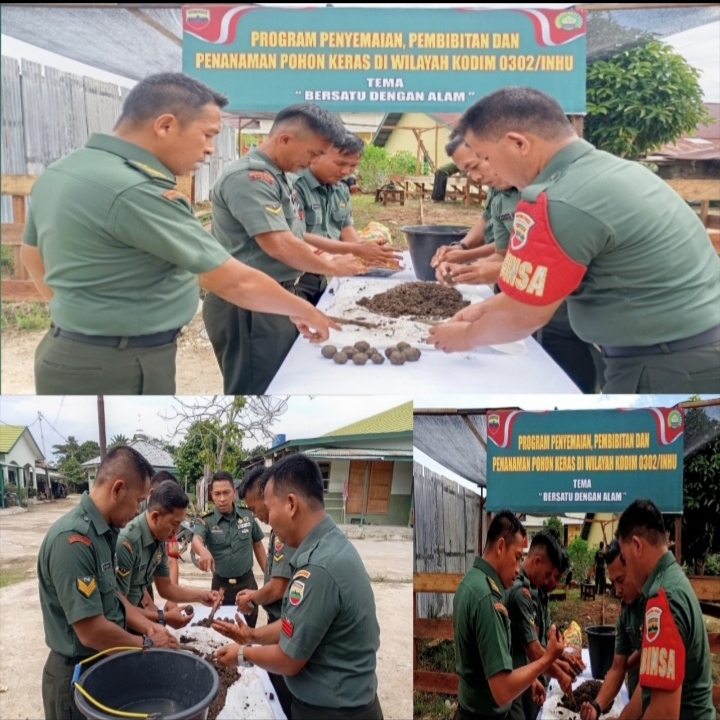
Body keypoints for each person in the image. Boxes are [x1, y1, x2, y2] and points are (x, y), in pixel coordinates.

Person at [21, 73, 338, 395]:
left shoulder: (64, 169)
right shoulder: (135, 190)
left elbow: (31, 254)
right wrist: (305, 310)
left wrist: (73, 318)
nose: (210, 150)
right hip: (119, 362)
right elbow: (232, 280)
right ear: (166, 125)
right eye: (207, 135)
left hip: (72, 350)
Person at [427, 87, 720, 393]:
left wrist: (464, 337)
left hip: (667, 369)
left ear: (518, 143)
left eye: (486, 157)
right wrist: (480, 312)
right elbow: (530, 295)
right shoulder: (609, 170)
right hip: (688, 351)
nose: (489, 171)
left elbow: (524, 315)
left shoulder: (561, 200)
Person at [204, 103, 366, 394]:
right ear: (286, 139)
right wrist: (333, 265)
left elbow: (298, 235)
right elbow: (279, 244)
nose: (313, 161)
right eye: (314, 153)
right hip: (248, 307)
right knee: (257, 391)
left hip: (271, 297)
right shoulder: (250, 178)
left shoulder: (278, 176)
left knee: (280, 384)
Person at [212, 454, 383, 720]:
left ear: (291, 504)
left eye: (268, 509)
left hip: (333, 712)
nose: (267, 519)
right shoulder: (328, 545)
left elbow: (289, 660)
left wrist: (243, 654)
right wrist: (252, 636)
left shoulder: (318, 567)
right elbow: (300, 622)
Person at [37, 446, 179, 720]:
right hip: (74, 675)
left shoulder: (104, 534)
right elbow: (91, 631)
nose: (139, 509)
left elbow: (115, 598)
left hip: (101, 664)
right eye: (138, 500)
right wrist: (147, 642)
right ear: (117, 489)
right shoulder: (73, 540)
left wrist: (150, 626)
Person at [453, 511, 565, 720]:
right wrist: (548, 658)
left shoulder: (469, 582)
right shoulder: (488, 598)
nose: (517, 568)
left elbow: (487, 660)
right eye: (517, 557)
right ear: (501, 546)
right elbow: (503, 690)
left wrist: (530, 679)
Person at [617, 499, 714, 719]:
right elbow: (650, 686)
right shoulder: (674, 580)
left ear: (637, 546)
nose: (626, 568)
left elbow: (663, 714)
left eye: (624, 558)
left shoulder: (663, 599)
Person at [293, 132, 402, 305]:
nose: (346, 171)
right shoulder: (293, 187)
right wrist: (333, 260)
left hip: (321, 276)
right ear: (316, 155)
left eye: (353, 166)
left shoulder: (340, 190)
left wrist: (365, 253)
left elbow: (345, 228)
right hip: (295, 277)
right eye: (340, 163)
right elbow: (292, 237)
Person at [236, 465, 296, 719]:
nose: (255, 514)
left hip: (286, 624)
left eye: (255, 507)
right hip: (280, 624)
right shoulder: (277, 531)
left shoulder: (286, 535)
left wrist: (252, 596)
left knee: (282, 694)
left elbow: (279, 587)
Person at [115, 480, 218, 627]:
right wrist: (163, 618)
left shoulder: (159, 537)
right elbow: (120, 608)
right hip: (125, 625)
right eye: (175, 523)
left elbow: (165, 587)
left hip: (140, 615)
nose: (176, 532)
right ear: (156, 517)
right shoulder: (127, 543)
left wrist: (201, 596)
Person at [507, 531, 573, 720]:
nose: (546, 581)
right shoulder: (521, 594)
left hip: (526, 676)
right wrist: (560, 674)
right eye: (547, 574)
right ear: (536, 561)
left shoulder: (529, 590)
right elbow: (534, 651)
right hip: (513, 680)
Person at [191, 471, 266, 625]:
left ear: (234, 492)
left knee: (248, 629)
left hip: (247, 584)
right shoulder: (207, 520)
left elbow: (258, 545)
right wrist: (203, 551)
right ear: (211, 494)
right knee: (221, 630)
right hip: (220, 588)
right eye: (217, 494)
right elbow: (196, 540)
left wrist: (269, 576)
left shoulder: (248, 516)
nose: (222, 499)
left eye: (226, 492)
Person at [580, 539, 643, 720]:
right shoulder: (625, 611)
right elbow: (617, 667)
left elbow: (650, 679)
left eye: (620, 580)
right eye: (613, 582)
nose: (616, 590)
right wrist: (596, 707)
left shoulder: (653, 601)